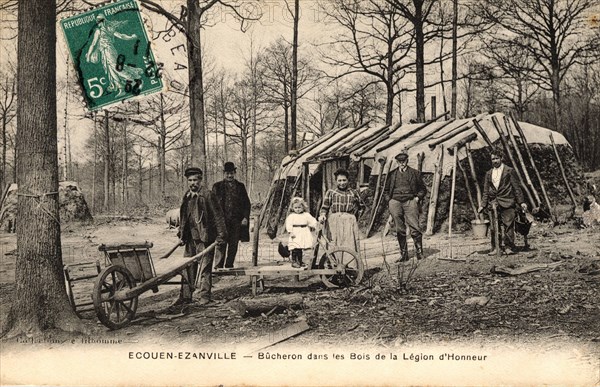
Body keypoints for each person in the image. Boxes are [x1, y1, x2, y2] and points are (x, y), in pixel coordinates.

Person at [175, 167, 227, 307]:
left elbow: (218, 216)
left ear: (200, 180)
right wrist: (181, 233)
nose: (193, 183)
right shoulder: (186, 196)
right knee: (188, 268)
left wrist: (221, 235)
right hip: (189, 238)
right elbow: (184, 217)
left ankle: (205, 296)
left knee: (205, 268)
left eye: (196, 180)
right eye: (190, 180)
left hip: (205, 237)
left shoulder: (208, 195)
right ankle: (185, 297)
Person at [478, 148, 527, 255]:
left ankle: (509, 247)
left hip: (508, 201)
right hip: (493, 203)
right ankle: (496, 247)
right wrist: (482, 205)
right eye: (493, 159)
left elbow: (516, 188)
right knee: (493, 227)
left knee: (508, 225)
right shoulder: (489, 173)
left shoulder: (509, 171)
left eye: (497, 158)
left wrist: (521, 202)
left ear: (501, 158)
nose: (495, 161)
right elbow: (486, 191)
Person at [85, 14, 144, 97]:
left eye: (100, 21)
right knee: (111, 70)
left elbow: (120, 36)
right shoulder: (105, 29)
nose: (99, 23)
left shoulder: (102, 30)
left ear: (104, 20)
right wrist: (131, 37)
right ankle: (121, 88)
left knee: (115, 67)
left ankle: (132, 80)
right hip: (104, 52)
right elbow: (94, 44)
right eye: (98, 21)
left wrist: (131, 37)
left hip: (109, 50)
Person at [385, 151, 427, 261]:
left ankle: (419, 252)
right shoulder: (392, 174)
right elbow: (385, 190)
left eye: (404, 161)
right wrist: (389, 201)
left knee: (414, 226)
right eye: (399, 162)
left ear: (407, 161)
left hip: (410, 201)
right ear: (397, 162)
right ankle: (404, 255)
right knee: (399, 228)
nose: (402, 164)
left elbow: (423, 189)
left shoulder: (415, 173)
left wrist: (417, 198)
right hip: (395, 202)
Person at [212, 162, 251, 269]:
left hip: (236, 221)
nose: (230, 176)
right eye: (227, 173)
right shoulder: (217, 186)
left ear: (235, 173)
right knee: (221, 243)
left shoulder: (240, 186)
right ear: (224, 173)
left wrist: (245, 217)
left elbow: (246, 204)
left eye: (232, 173)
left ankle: (229, 265)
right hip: (221, 222)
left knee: (233, 244)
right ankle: (218, 267)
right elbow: (213, 205)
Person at [318, 169, 365, 252]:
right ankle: (333, 263)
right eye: (339, 180)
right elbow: (325, 207)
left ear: (348, 180)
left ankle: (350, 263)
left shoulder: (353, 192)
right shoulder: (331, 192)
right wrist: (322, 215)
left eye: (344, 180)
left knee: (349, 243)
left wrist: (354, 217)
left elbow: (362, 207)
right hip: (334, 221)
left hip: (349, 222)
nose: (342, 183)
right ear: (336, 181)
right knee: (334, 242)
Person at [286, 197, 318, 268]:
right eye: (296, 208)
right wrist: (290, 232)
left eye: (299, 207)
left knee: (301, 248)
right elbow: (288, 224)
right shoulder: (291, 216)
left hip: (304, 231)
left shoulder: (306, 215)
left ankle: (300, 261)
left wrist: (316, 225)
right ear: (293, 208)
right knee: (295, 247)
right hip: (295, 232)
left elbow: (312, 221)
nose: (297, 209)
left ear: (303, 207)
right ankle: (294, 261)